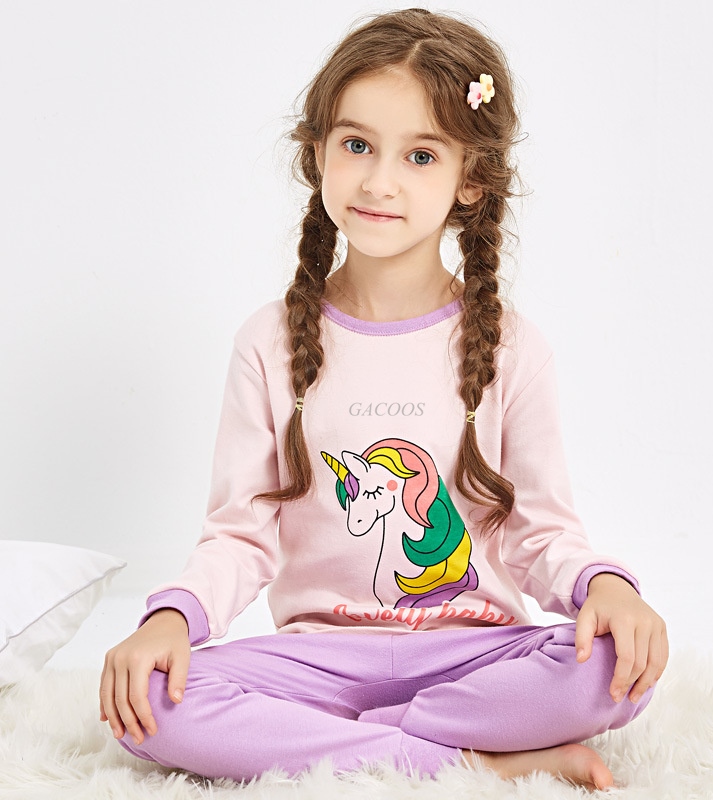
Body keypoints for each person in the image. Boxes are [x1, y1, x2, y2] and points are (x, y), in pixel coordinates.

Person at [100, 8, 667, 790]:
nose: (378, 181)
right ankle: (465, 760)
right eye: (357, 144)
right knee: (149, 705)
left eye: (421, 155)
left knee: (613, 667)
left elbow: (541, 530)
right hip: (318, 662)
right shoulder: (267, 343)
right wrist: (172, 617)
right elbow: (239, 534)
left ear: (470, 179)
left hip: (474, 656)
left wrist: (604, 587)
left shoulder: (514, 348)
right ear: (318, 152)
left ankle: (338, 746)